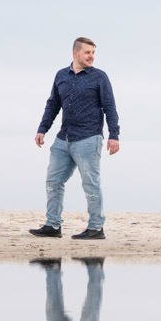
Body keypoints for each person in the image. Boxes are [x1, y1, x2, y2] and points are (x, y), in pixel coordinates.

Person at [28, 37, 120, 240]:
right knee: (53, 181)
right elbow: (53, 104)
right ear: (75, 53)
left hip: (89, 138)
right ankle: (53, 225)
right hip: (63, 139)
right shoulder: (61, 75)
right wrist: (42, 129)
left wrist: (114, 135)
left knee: (90, 183)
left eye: (93, 53)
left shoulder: (99, 77)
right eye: (87, 52)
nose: (91, 56)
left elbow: (110, 107)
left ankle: (96, 228)